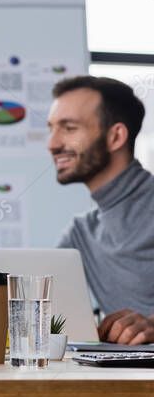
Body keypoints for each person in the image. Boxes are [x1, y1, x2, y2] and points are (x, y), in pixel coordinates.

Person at [47, 75, 154, 345]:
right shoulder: (83, 232)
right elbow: (28, 290)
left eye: (69, 128)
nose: (53, 144)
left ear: (115, 136)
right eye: (52, 129)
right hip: (128, 380)